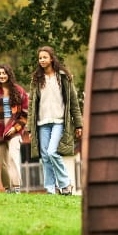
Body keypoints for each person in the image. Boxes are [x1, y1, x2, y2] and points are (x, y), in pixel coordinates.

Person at [27, 46, 83, 195]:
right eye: (40, 58)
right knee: (45, 156)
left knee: (52, 152)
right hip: (41, 123)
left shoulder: (64, 77)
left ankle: (65, 184)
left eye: (45, 57)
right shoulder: (36, 79)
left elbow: (74, 102)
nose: (42, 60)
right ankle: (50, 189)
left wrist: (79, 124)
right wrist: (30, 129)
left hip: (59, 121)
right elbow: (31, 104)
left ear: (51, 58)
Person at [0, 64, 29, 194]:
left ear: (9, 75)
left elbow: (24, 114)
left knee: (13, 157)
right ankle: (8, 188)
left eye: (4, 73)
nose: (2, 76)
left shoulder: (19, 90)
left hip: (13, 130)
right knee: (3, 161)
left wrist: (15, 129)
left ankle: (16, 187)